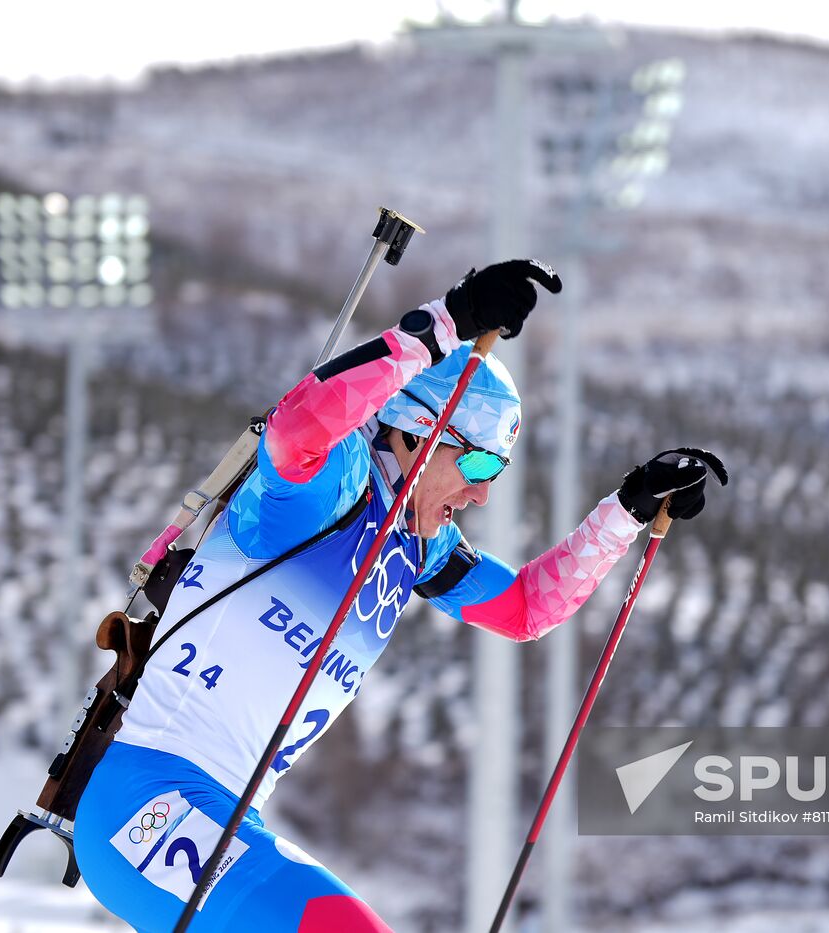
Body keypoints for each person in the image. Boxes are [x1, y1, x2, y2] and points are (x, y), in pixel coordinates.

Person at [72, 260, 721, 931]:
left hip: (224, 815)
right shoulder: (333, 482)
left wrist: (627, 509)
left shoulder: (417, 544)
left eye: (495, 471)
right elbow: (296, 430)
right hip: (145, 800)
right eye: (474, 462)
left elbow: (530, 608)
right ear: (414, 431)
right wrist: (448, 322)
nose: (482, 491)